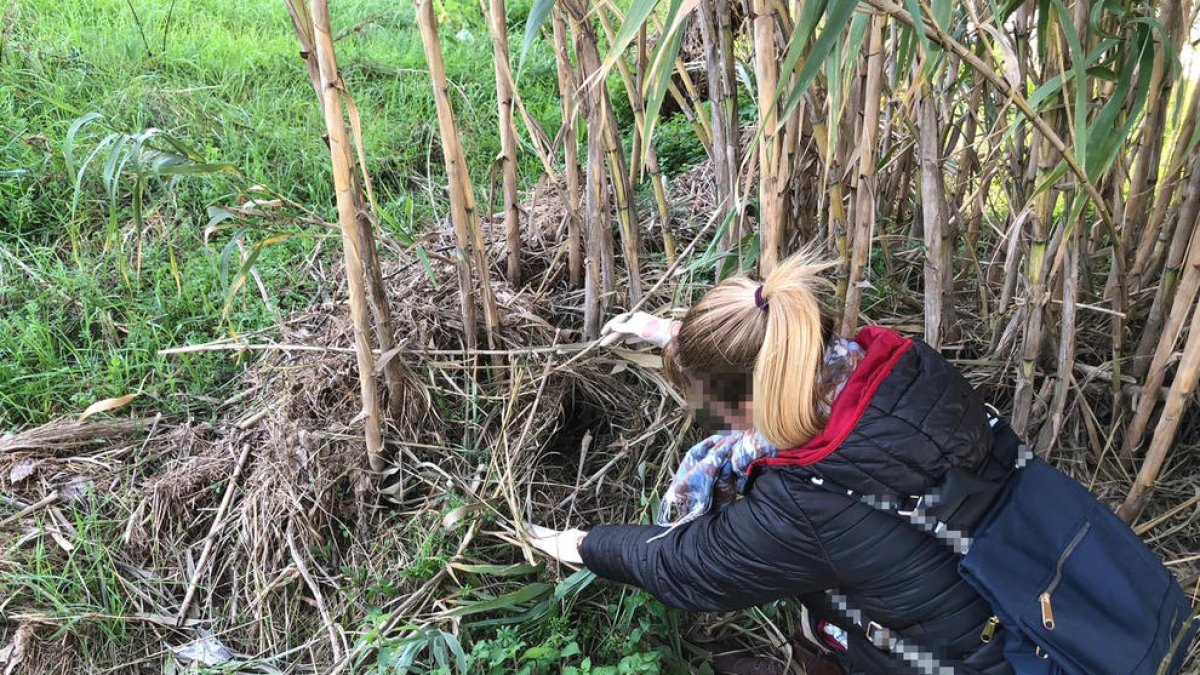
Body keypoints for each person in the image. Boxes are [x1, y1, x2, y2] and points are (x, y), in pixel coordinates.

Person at [526, 251, 1018, 675]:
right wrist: (669, 334)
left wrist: (581, 543)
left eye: (707, 406)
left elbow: (686, 564)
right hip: (1011, 589)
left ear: (751, 398)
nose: (705, 420)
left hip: (959, 659)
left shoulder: (805, 502)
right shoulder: (895, 368)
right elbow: (757, 352)